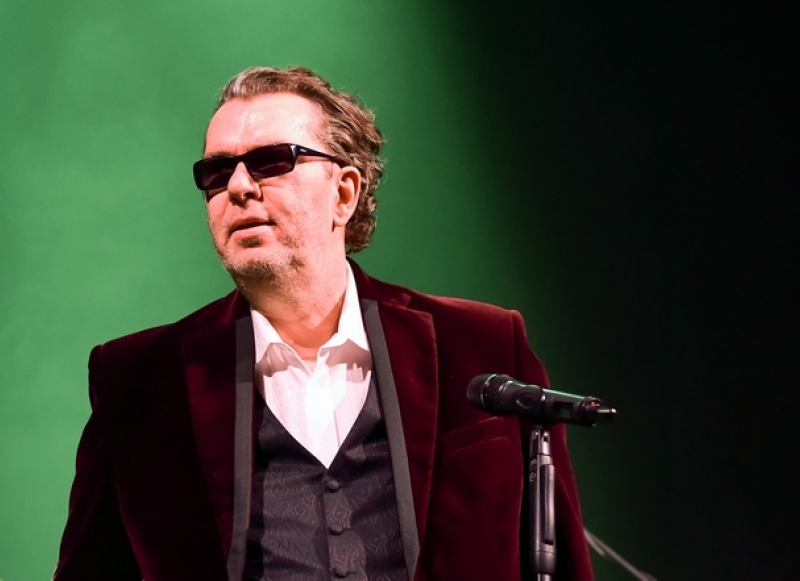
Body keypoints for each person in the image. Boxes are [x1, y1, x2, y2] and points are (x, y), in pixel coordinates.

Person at [54, 66, 593, 580]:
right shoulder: (139, 380)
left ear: (344, 193)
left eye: (271, 161)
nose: (238, 186)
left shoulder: (481, 344)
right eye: (216, 173)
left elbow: (564, 562)